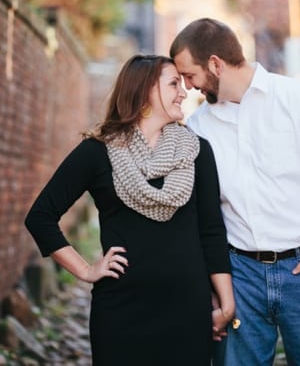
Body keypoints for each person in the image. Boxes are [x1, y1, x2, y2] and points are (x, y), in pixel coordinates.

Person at [169, 18, 300, 366]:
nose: (187, 87)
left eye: (190, 75)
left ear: (215, 64)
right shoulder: (199, 127)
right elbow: (201, 214)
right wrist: (214, 287)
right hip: (240, 278)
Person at [25, 55, 234, 365]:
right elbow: (40, 217)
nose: (184, 92)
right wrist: (84, 270)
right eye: (173, 83)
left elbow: (212, 229)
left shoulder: (196, 151)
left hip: (187, 308)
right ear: (145, 89)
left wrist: (225, 302)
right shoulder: (97, 152)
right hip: (121, 309)